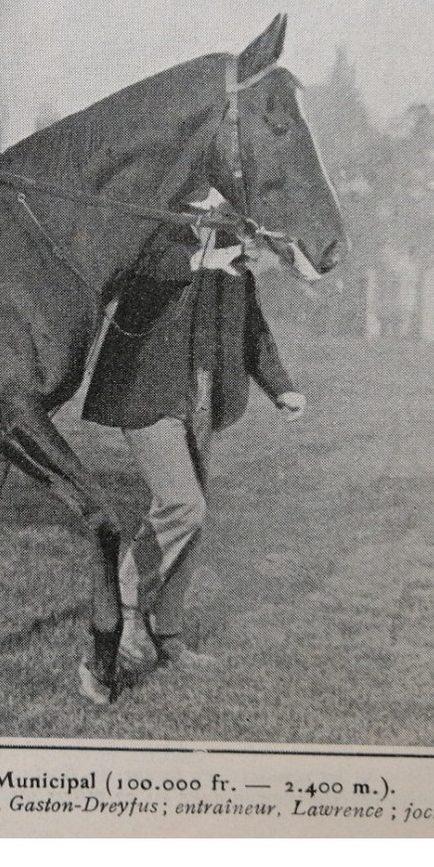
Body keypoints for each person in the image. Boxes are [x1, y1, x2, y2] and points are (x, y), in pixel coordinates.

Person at [79, 215, 306, 699]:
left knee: (192, 521)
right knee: (184, 504)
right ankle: (126, 608)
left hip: (203, 395)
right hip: (145, 391)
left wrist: (281, 387)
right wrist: (206, 259)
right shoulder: (157, 227)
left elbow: (252, 328)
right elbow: (139, 271)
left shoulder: (230, 243)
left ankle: (168, 632)